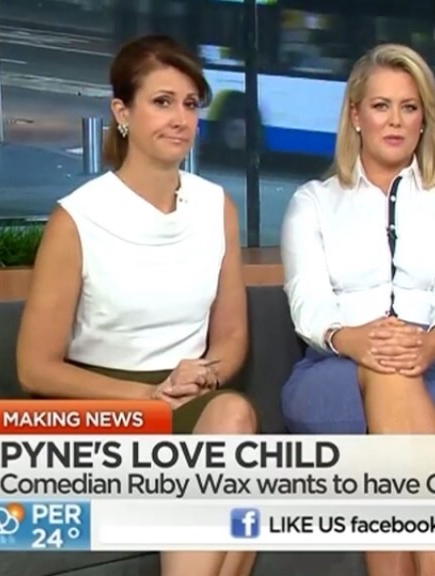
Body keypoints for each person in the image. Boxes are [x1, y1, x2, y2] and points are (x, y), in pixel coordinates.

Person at [16, 35, 258, 576]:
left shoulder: (216, 206)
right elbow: (34, 368)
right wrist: (146, 396)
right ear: (122, 113)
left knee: (235, 418)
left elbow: (232, 337)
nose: (180, 119)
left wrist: (202, 374)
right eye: (162, 102)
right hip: (99, 404)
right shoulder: (77, 218)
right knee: (245, 505)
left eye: (190, 104)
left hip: (185, 396)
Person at [278, 43, 435, 576]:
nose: (395, 120)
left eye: (409, 107)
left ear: (423, 119)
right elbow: (307, 301)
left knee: (393, 376)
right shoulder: (313, 202)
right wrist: (356, 340)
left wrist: (431, 342)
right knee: (387, 369)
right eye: (380, 106)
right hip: (332, 368)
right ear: (355, 115)